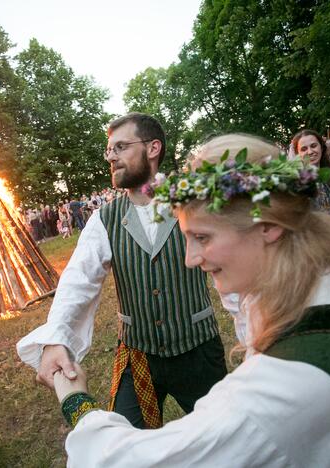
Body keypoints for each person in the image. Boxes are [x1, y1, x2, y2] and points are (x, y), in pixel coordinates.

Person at [51, 134, 330, 467]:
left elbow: (136, 461)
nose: (190, 259)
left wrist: (75, 399)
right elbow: (78, 281)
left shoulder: (279, 387)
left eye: (203, 237)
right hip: (142, 349)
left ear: (269, 226)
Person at [18, 113, 227, 430]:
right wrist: (56, 339)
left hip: (198, 350)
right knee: (125, 440)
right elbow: (78, 283)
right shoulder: (105, 218)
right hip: (139, 355)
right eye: (109, 150)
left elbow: (232, 264)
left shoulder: (191, 201)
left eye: (120, 146)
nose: (111, 156)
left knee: (225, 437)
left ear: (153, 148)